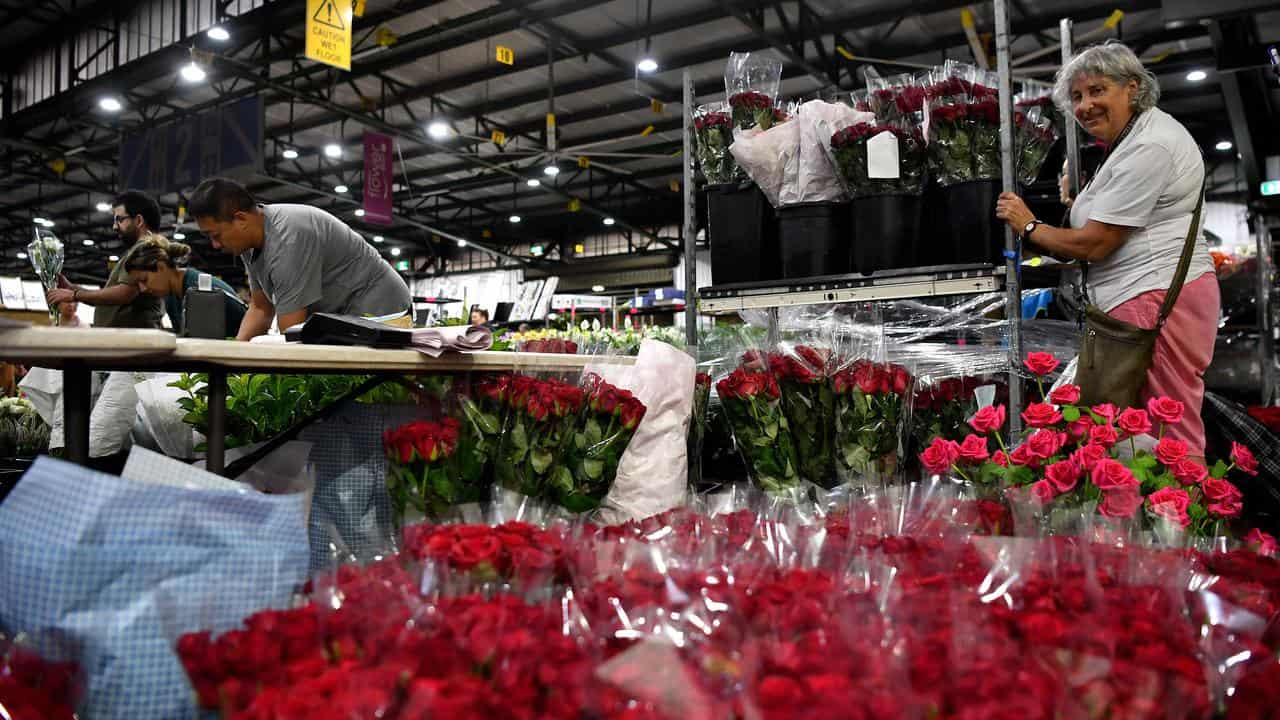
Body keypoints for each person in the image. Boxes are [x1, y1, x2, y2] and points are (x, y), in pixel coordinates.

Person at [996, 41, 1218, 455]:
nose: (1085, 106)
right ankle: (1156, 513)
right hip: (1144, 295)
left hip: (1155, 296)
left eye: (1098, 91)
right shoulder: (1132, 140)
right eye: (1077, 97)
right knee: (1141, 429)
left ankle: (1183, 515)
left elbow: (1096, 243)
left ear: (1132, 88)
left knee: (1168, 430)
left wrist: (1027, 224)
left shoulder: (1151, 145)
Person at [188, 178, 412, 341]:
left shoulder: (289, 239)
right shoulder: (250, 244)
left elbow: (292, 335)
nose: (215, 245)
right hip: (345, 316)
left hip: (381, 309)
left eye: (216, 235)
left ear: (240, 219)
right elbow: (260, 308)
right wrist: (231, 362)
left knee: (371, 396)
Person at [45, 191, 166, 329]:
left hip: (134, 342)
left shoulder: (145, 248)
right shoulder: (139, 251)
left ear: (139, 221)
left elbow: (124, 294)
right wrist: (72, 288)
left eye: (120, 219)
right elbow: (111, 296)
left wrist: (75, 295)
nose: (115, 226)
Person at [123, 236, 246, 335]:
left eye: (144, 280)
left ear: (161, 267)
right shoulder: (171, 294)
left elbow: (201, 344)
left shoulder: (198, 290)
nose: (142, 289)